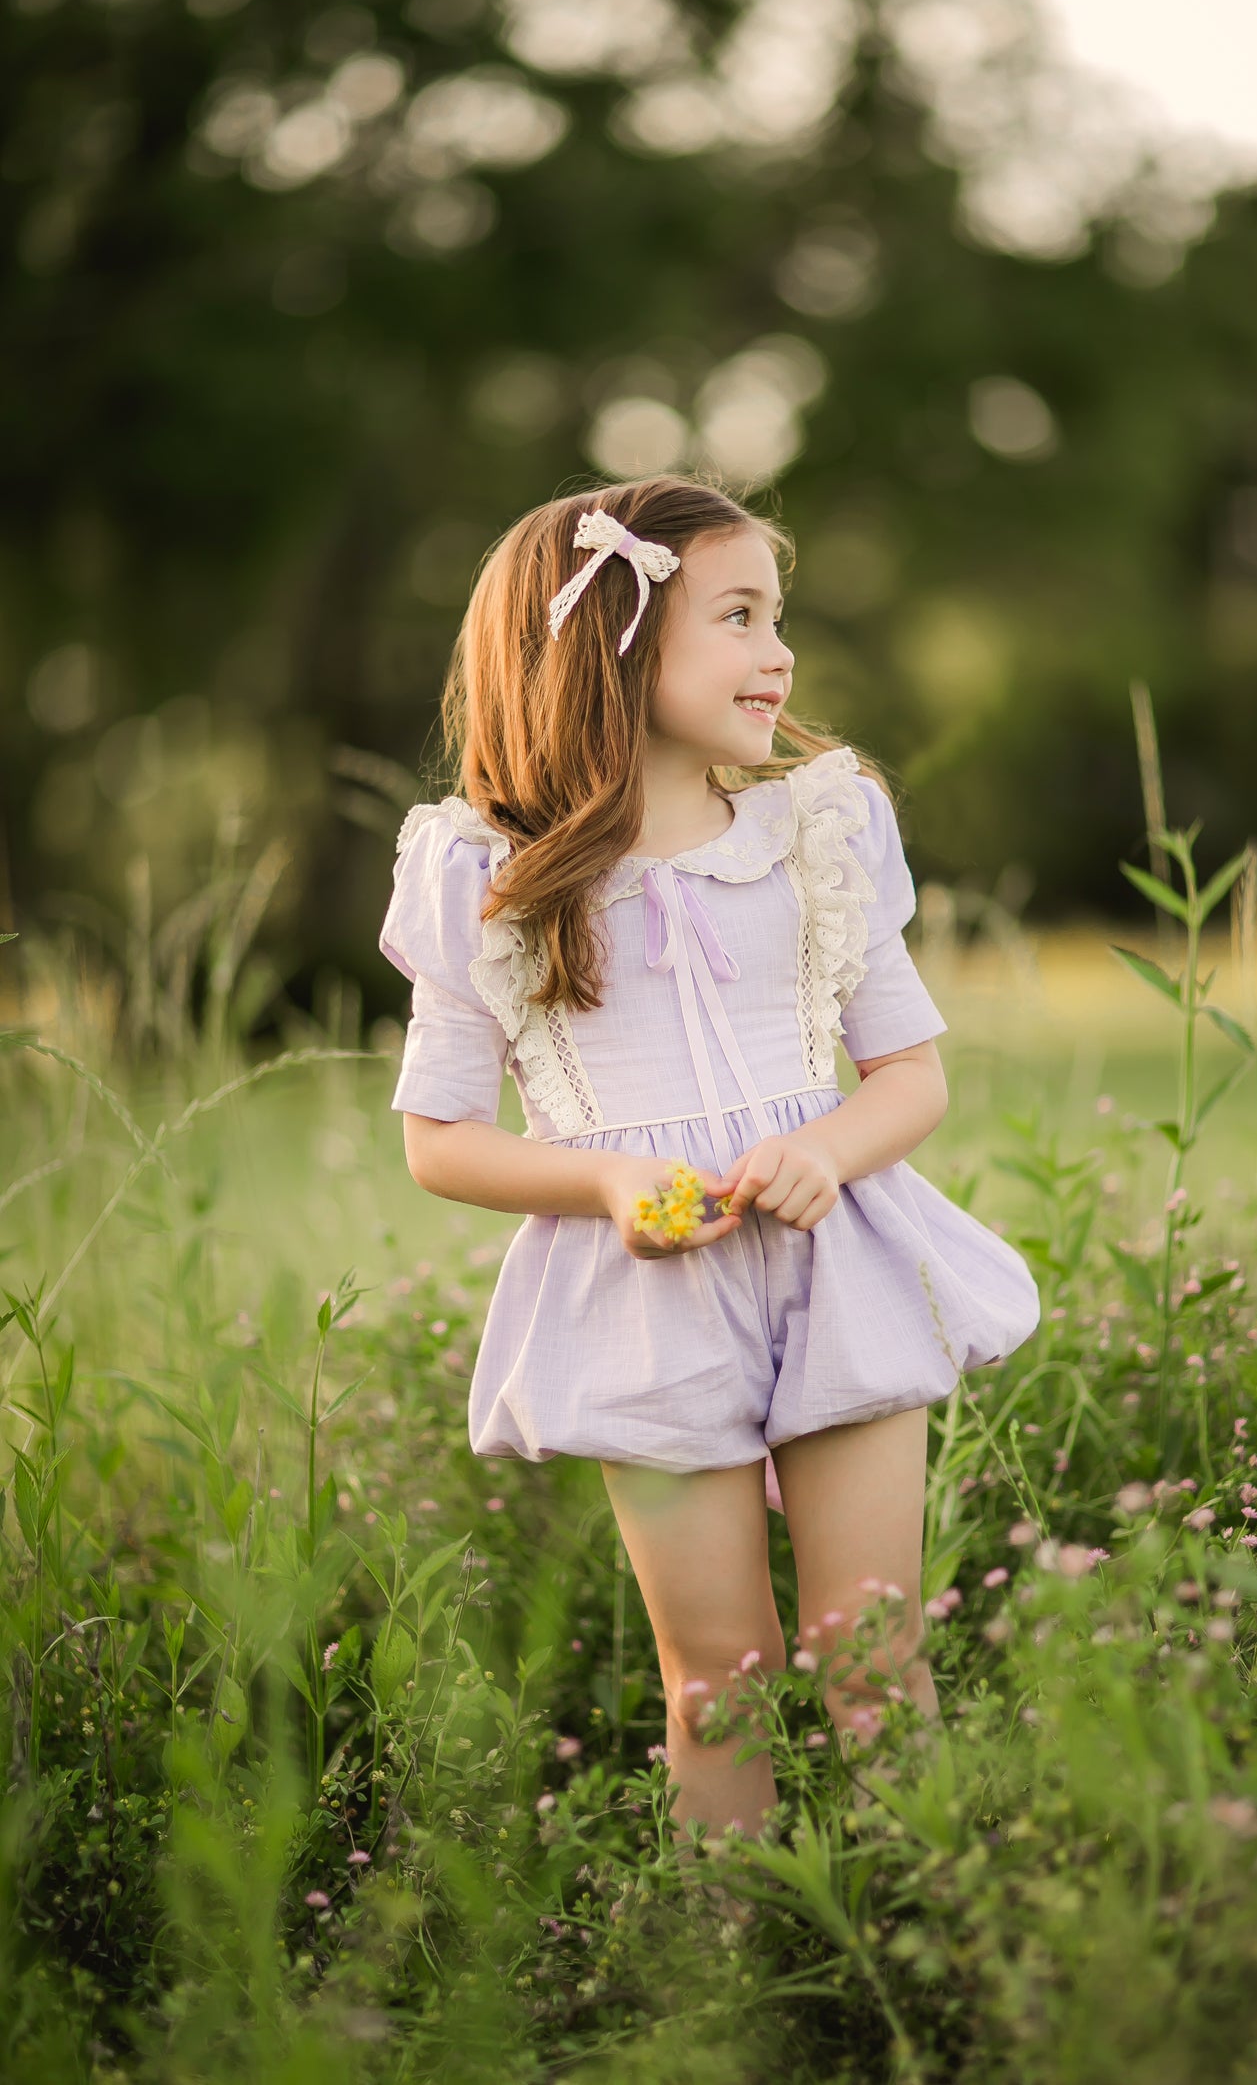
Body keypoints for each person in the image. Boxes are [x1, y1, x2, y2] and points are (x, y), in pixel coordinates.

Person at [378, 473, 1041, 1844]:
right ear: (611, 646)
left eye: (777, 617)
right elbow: (440, 1143)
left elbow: (909, 1079)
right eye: (738, 617)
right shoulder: (490, 880)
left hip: (834, 1266)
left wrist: (826, 1150)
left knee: (872, 1656)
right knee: (718, 1683)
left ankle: (937, 1940)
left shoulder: (816, 838)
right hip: (648, 1305)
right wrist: (606, 1180)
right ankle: (726, 1978)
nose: (779, 653)